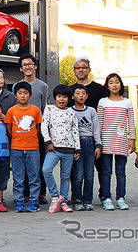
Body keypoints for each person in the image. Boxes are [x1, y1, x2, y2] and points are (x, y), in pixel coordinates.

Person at [70, 56, 107, 202]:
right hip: (75, 138)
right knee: (76, 171)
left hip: (95, 135)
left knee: (100, 167)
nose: (81, 70)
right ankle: (76, 197)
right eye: (78, 67)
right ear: (74, 71)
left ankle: (104, 194)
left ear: (89, 70)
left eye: (84, 67)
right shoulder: (70, 90)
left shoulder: (99, 89)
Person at [97, 73, 136, 211]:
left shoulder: (127, 102)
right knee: (106, 172)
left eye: (117, 82)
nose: (114, 85)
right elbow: (99, 123)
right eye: (111, 82)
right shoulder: (103, 102)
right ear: (107, 85)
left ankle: (121, 198)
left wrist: (132, 139)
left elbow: (131, 122)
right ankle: (107, 198)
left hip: (121, 141)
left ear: (121, 84)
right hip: (106, 140)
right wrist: (98, 142)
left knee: (121, 171)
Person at [41, 84, 80, 213]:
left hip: (69, 150)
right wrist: (48, 142)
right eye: (59, 96)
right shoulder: (49, 109)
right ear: (55, 97)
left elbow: (75, 130)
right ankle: (55, 197)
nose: (61, 99)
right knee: (46, 170)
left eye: (64, 97)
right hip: (54, 149)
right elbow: (44, 126)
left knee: (65, 177)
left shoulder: (71, 112)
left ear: (69, 98)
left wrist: (77, 149)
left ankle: (63, 201)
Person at [4, 81, 42, 213]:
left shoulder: (35, 110)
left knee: (34, 177)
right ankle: (19, 201)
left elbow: (37, 128)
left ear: (30, 95)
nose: (23, 96)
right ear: (15, 95)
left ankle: (34, 202)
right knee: (18, 177)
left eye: (26, 93)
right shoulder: (11, 111)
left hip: (33, 148)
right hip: (16, 148)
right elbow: (9, 128)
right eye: (20, 93)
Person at [17, 54, 49, 204]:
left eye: (30, 64)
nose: (27, 67)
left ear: (35, 67)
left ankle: (41, 193)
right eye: (24, 65)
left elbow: (43, 109)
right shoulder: (17, 86)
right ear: (21, 68)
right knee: (22, 163)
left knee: (39, 161)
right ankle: (24, 192)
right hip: (22, 131)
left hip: (38, 130)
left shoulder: (43, 86)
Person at [70, 84, 102, 211]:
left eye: (83, 93)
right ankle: (77, 199)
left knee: (89, 174)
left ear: (87, 96)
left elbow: (96, 129)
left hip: (89, 143)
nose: (81, 95)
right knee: (78, 174)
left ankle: (88, 200)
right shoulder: (70, 111)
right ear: (73, 96)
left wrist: (98, 145)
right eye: (78, 93)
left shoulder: (91, 111)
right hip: (76, 144)